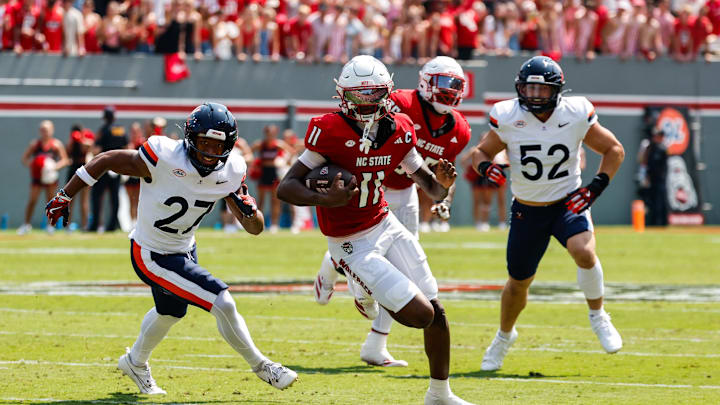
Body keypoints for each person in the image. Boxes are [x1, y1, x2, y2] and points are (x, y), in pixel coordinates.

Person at [45, 102, 297, 395]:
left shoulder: (232, 169)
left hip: (184, 248)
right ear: (190, 138)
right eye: (204, 143)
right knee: (223, 301)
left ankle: (135, 362)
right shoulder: (163, 155)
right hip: (152, 253)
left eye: (218, 146)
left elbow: (255, 229)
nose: (210, 152)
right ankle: (263, 366)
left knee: (170, 312)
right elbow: (106, 159)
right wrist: (65, 195)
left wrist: (250, 211)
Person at [277, 55, 473, 405]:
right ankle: (356, 279)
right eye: (358, 96)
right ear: (342, 96)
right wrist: (327, 200)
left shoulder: (399, 127)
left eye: (373, 95)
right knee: (420, 315)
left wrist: (441, 188)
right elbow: (286, 187)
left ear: (387, 93)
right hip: (349, 239)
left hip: (384, 222)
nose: (366, 104)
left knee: (436, 310)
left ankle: (439, 395)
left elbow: (426, 182)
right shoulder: (330, 128)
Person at [470, 56, 625, 371]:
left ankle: (598, 315)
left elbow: (614, 150)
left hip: (567, 201)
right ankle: (504, 336)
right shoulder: (508, 115)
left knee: (583, 251)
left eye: (541, 89)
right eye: (529, 88)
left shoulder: (577, 113)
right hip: (527, 208)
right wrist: (486, 167)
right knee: (518, 282)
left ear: (556, 90)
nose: (534, 95)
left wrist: (594, 188)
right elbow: (480, 151)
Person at [18, 120, 69, 234]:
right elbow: (24, 158)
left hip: (50, 177)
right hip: (38, 177)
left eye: (46, 130)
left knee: (51, 201)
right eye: (42, 130)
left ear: (52, 131)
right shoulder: (35, 144)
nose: (44, 132)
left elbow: (65, 160)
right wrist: (34, 165)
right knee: (32, 200)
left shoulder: (56, 144)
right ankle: (26, 224)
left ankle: (50, 226)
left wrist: (54, 167)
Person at [88, 106, 128, 232]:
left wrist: (90, 151)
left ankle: (94, 225)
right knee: (114, 197)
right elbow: (126, 146)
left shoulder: (104, 130)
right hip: (118, 166)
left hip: (104, 167)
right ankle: (112, 225)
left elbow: (97, 149)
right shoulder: (121, 130)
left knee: (96, 196)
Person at [251, 124, 291, 233]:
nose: (270, 135)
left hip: (274, 174)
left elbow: (291, 152)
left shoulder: (278, 145)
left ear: (275, 133)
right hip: (264, 173)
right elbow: (249, 152)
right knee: (261, 201)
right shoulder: (260, 144)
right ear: (266, 133)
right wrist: (253, 164)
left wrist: (283, 161)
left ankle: (274, 225)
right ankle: (258, 224)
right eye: (268, 133)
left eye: (272, 133)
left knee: (275, 201)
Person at [461, 144, 508, 231]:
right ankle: (479, 223)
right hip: (481, 176)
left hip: (497, 175)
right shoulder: (476, 150)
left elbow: (506, 162)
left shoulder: (500, 150)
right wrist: (470, 169)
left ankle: (500, 223)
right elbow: (463, 160)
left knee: (494, 200)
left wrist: (499, 163)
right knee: (478, 201)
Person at [65, 124, 95, 231]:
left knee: (84, 200)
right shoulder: (71, 143)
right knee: (70, 199)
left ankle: (85, 225)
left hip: (83, 169)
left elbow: (90, 146)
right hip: (73, 170)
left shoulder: (85, 141)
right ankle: (67, 225)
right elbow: (67, 152)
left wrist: (80, 139)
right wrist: (73, 140)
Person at [637, 127, 668, 226]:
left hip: (660, 180)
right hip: (650, 180)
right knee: (651, 202)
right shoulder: (650, 148)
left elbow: (662, 167)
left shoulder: (662, 149)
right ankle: (653, 223)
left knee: (660, 202)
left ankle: (661, 223)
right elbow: (643, 161)